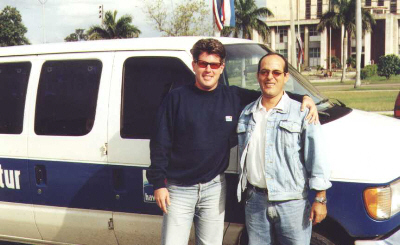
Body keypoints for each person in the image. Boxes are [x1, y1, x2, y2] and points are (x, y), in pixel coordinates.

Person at [147, 38, 319, 245]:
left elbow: (269, 92)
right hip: (179, 189)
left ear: (222, 67)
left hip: (213, 188)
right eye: (203, 64)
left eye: (214, 65)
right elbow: (159, 143)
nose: (208, 70)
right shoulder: (175, 99)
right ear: (194, 65)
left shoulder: (234, 96)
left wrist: (304, 99)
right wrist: (158, 183)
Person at [236, 53, 332, 245]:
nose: (270, 77)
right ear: (258, 76)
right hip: (255, 201)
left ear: (286, 77)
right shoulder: (247, 113)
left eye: (276, 72)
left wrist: (320, 199)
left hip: (292, 203)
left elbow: (316, 156)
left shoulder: (302, 112)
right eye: (264, 72)